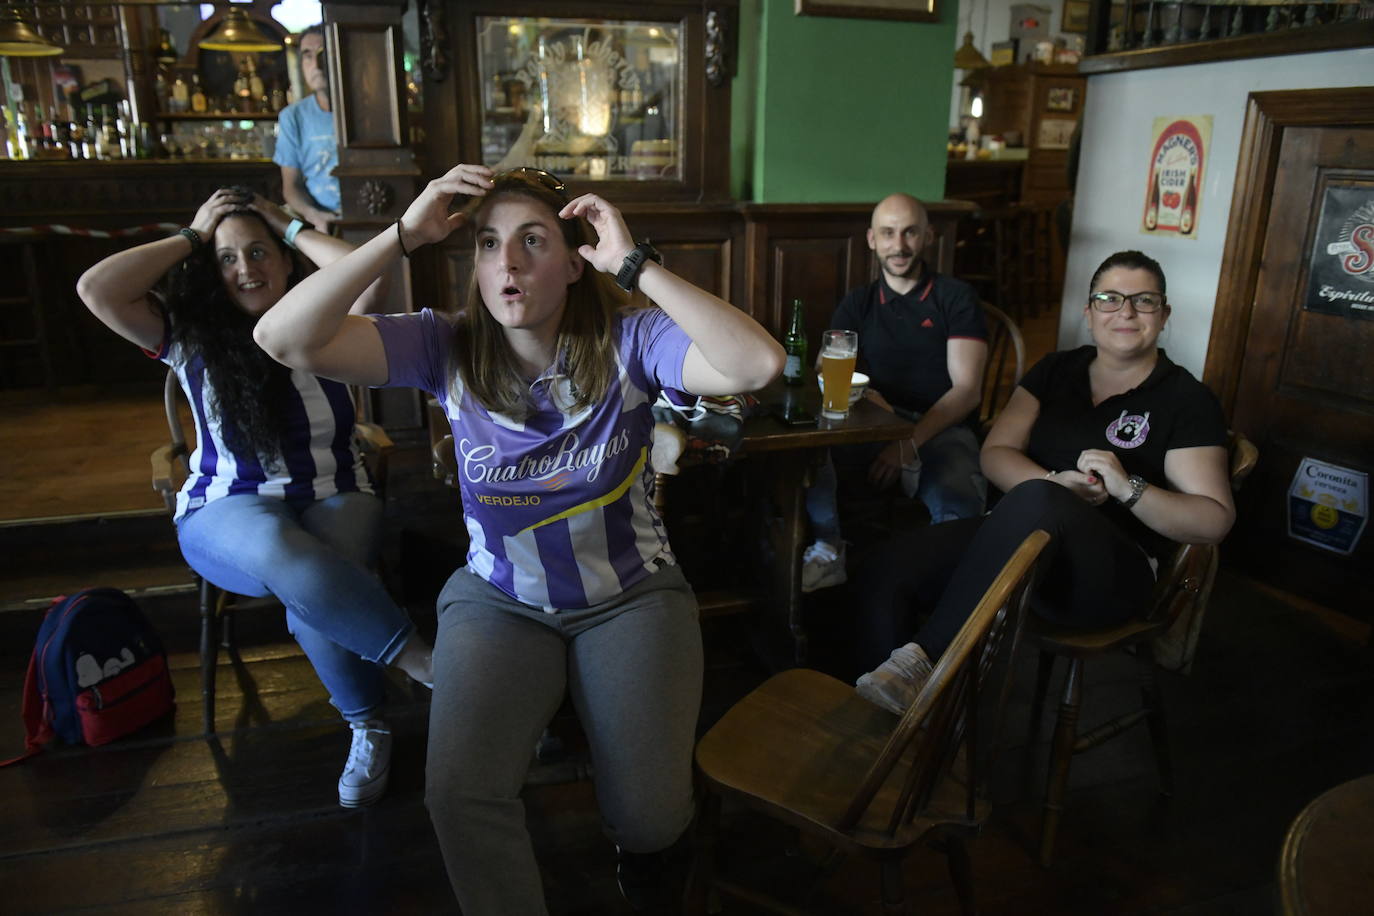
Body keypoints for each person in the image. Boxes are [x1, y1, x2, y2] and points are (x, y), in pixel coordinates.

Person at [253, 164, 784, 913]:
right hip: (499, 599)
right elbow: (281, 338)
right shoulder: (445, 345)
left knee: (650, 820)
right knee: (459, 795)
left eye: (533, 242)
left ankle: (649, 865)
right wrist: (404, 233)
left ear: (574, 263)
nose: (506, 262)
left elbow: (758, 364)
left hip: (630, 598)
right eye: (490, 243)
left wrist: (633, 264)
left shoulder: (631, 342)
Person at [76, 188, 434, 806]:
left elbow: (369, 279)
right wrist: (194, 233)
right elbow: (97, 290)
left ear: (285, 259)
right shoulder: (184, 333)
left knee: (311, 583)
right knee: (281, 550)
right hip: (227, 507)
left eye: (260, 252)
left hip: (335, 492)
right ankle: (430, 669)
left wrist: (285, 223)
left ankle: (367, 723)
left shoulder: (323, 326)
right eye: (228, 258)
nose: (246, 269)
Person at [851, 250, 1236, 714]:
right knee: (885, 567)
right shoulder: (1056, 371)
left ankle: (926, 666)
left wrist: (1126, 487)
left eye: (1144, 301)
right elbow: (995, 453)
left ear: (1164, 314)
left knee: (1039, 498)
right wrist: (1056, 483)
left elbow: (1213, 520)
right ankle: (888, 733)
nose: (1126, 312)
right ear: (1089, 312)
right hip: (1020, 544)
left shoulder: (1185, 399)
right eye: (1110, 299)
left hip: (1107, 577)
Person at [801, 193, 989, 592]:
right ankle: (829, 548)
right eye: (888, 233)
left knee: (959, 511)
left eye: (909, 232)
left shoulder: (955, 298)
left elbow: (967, 391)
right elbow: (824, 368)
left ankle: (953, 604)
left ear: (929, 236)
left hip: (940, 427)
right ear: (872, 239)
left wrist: (907, 443)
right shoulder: (859, 302)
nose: (899, 245)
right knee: (808, 456)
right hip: (875, 424)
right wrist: (873, 406)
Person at [274, 25, 339, 232]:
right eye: (307, 56)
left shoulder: (371, 112)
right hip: (321, 221)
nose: (316, 64)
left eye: (323, 53)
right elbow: (291, 187)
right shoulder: (292, 117)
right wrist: (315, 215)